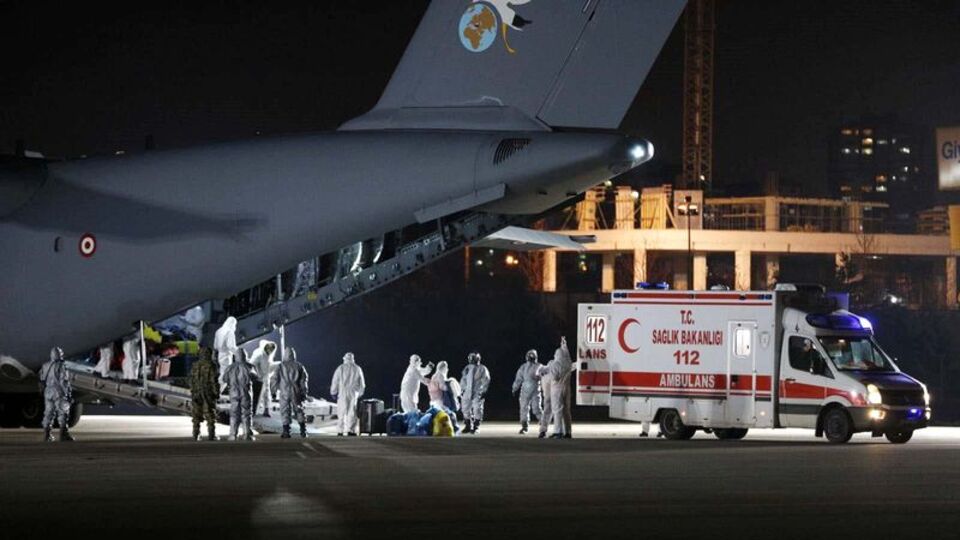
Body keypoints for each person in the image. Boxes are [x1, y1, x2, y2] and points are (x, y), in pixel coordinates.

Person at [272, 346, 309, 439]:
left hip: (284, 390)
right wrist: (304, 392)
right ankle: (303, 431)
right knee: (299, 409)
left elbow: (274, 379)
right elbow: (303, 381)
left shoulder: (280, 366)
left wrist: (274, 391)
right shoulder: (299, 366)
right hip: (296, 391)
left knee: (284, 410)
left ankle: (286, 431)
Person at [39, 347, 73, 442]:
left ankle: (47, 435)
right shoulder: (61, 366)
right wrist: (68, 394)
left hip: (48, 391)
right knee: (63, 412)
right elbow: (64, 381)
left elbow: (41, 379)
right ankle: (63, 434)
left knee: (48, 413)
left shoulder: (45, 365)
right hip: (58, 392)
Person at [330, 352, 366, 436]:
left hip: (342, 392)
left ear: (344, 359)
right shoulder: (357, 368)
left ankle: (340, 431)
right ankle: (351, 430)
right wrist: (360, 393)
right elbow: (362, 383)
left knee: (341, 411)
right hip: (353, 392)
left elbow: (335, 380)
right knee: (352, 411)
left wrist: (333, 392)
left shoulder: (340, 368)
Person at [224, 349, 256, 441]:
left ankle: (233, 435)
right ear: (245, 356)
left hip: (234, 393)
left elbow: (225, 379)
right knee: (246, 413)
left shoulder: (230, 367)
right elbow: (255, 377)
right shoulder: (250, 367)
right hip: (246, 393)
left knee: (234, 414)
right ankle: (247, 434)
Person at [190, 347, 220, 441]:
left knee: (196, 413)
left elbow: (191, 379)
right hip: (208, 392)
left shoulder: (195, 365)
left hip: (196, 391)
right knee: (210, 413)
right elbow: (213, 380)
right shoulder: (211, 365)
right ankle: (211, 434)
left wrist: (193, 390)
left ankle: (196, 434)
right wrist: (216, 392)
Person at [547, 337, 574, 439]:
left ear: (557, 355)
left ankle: (558, 431)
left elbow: (554, 377)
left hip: (557, 389)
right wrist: (564, 345)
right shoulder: (568, 363)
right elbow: (567, 354)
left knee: (557, 410)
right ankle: (568, 431)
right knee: (567, 411)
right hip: (567, 388)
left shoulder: (555, 364)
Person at [512, 349, 543, 434]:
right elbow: (518, 378)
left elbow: (544, 376)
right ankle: (524, 426)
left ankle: (543, 425)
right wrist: (514, 387)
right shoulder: (523, 367)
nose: (530, 357)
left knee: (536, 408)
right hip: (525, 389)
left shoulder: (539, 366)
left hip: (535, 389)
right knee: (523, 408)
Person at [460, 351, 490, 434]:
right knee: (465, 408)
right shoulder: (467, 368)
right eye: (470, 358)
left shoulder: (482, 368)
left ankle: (476, 426)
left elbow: (486, 380)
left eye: (473, 358)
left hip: (477, 391)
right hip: (467, 391)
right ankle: (468, 425)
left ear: (477, 358)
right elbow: (463, 379)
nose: (471, 360)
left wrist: (484, 391)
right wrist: (462, 389)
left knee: (477, 409)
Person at [249, 340, 279, 416]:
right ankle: (253, 411)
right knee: (256, 395)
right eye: (269, 348)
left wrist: (277, 365)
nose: (270, 350)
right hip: (258, 378)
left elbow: (268, 366)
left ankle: (266, 410)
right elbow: (251, 364)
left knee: (266, 393)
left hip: (265, 376)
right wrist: (256, 374)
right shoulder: (259, 354)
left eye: (272, 349)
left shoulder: (269, 355)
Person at [213, 316, 239, 393]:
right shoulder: (229, 332)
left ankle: (216, 392)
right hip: (227, 355)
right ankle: (216, 392)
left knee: (223, 373)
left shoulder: (219, 331)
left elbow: (215, 346)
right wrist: (239, 353)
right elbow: (231, 346)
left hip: (220, 354)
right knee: (225, 376)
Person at [537, 363, 554, 438]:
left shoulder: (543, 371)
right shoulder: (554, 370)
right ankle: (560, 431)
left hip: (547, 395)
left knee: (546, 412)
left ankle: (543, 431)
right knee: (560, 413)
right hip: (555, 395)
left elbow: (538, 373)